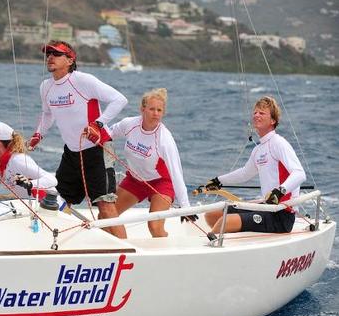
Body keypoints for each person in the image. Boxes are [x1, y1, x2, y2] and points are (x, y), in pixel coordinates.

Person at [28, 40, 128, 238]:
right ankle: (61, 243)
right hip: (72, 153)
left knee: (105, 206)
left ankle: (129, 252)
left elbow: (120, 100)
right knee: (60, 201)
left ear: (70, 59)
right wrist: (38, 135)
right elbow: (47, 114)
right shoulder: (45, 87)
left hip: (98, 149)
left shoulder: (83, 80)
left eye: (56, 54)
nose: (50, 57)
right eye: (48, 54)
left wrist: (98, 124)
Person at [202, 96, 306, 234]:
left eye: (262, 113)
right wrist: (218, 180)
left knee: (225, 221)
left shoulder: (279, 143)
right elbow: (245, 173)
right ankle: (227, 244)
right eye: (255, 112)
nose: (256, 115)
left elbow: (299, 174)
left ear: (273, 120)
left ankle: (212, 244)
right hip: (266, 207)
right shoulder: (258, 149)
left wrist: (280, 191)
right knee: (212, 215)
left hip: (281, 214)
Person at [108, 88, 195, 239]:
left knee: (154, 226)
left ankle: (166, 253)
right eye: (152, 109)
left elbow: (176, 174)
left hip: (161, 183)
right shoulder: (129, 124)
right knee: (105, 219)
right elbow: (109, 134)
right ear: (143, 109)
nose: (155, 113)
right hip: (135, 181)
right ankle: (122, 252)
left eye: (159, 110)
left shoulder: (165, 139)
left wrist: (185, 207)